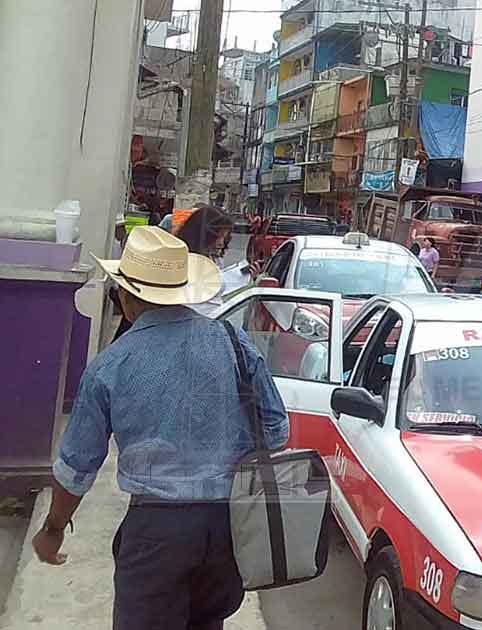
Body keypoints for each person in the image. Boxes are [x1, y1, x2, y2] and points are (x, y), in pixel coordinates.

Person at [32, 226, 289, 629]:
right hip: (226, 529)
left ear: (128, 297)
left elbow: (77, 466)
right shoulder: (234, 342)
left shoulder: (111, 365)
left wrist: (53, 529)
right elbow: (276, 431)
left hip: (156, 532)